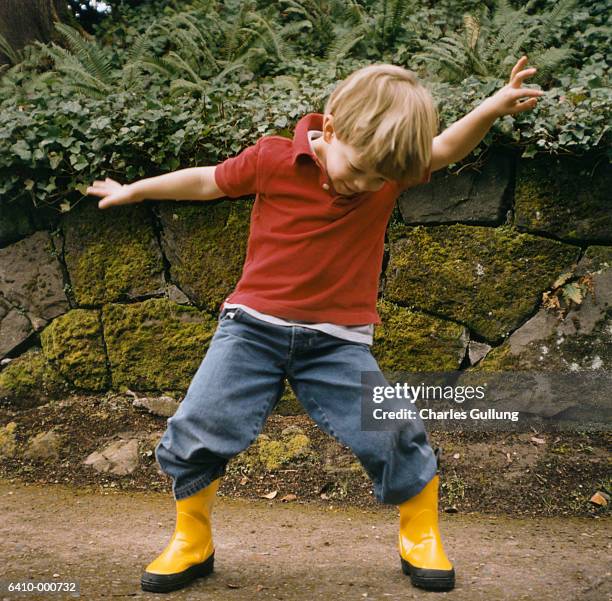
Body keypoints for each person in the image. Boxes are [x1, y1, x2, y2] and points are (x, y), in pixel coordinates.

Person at [87, 57, 543, 594]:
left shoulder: (384, 171)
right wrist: (136, 189)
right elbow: (207, 182)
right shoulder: (274, 160)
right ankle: (193, 540)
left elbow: (444, 148)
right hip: (251, 328)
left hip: (337, 342)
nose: (366, 184)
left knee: (393, 430)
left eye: (381, 178)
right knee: (198, 426)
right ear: (331, 129)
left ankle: (420, 535)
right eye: (359, 170)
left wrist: (491, 106)